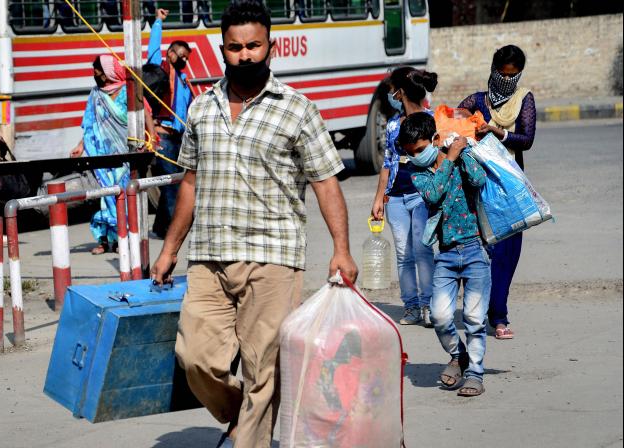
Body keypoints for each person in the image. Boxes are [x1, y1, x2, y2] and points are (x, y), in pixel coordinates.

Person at [150, 2, 358, 446]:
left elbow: (325, 183)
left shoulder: (297, 109)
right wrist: (170, 249)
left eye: (254, 45)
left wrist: (341, 249)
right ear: (223, 49)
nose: (245, 55)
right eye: (235, 47)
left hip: (274, 257)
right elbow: (189, 183)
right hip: (208, 257)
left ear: (271, 47)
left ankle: (250, 436)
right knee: (195, 358)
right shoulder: (203, 108)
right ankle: (239, 412)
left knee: (266, 370)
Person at [400, 112, 490, 397]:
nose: (416, 155)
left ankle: (475, 374)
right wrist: (449, 158)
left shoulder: (460, 157)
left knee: (475, 320)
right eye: (410, 152)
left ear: (435, 139)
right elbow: (434, 195)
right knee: (439, 316)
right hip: (446, 256)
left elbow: (478, 180)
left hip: (475, 249)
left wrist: (462, 152)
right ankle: (458, 355)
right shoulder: (419, 175)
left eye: (420, 148)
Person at [458, 45, 535, 341]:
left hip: (510, 185)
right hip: (478, 184)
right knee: (480, 249)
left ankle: (499, 315)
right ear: (493, 71)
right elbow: (456, 121)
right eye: (502, 75)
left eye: (512, 76)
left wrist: (497, 132)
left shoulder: (523, 100)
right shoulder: (477, 100)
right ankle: (478, 308)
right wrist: (466, 119)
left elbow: (527, 139)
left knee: (507, 251)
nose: (507, 81)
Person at [370, 66, 437, 326]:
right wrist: (379, 199)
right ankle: (411, 306)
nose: (390, 94)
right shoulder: (393, 124)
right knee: (403, 253)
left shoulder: (432, 119)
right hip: (396, 197)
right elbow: (388, 162)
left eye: (391, 90)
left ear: (401, 92)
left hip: (422, 195)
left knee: (422, 250)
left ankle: (429, 305)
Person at [70, 54, 156, 254]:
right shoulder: (95, 94)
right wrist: (81, 145)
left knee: (122, 196)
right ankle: (104, 240)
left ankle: (120, 239)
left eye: (98, 69)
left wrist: (151, 138)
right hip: (102, 154)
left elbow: (145, 114)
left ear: (108, 70)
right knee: (105, 196)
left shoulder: (128, 90)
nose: (95, 74)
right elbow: (91, 123)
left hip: (124, 153)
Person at [146, 8, 194, 239]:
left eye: (186, 57)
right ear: (170, 53)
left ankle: (159, 228)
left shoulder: (185, 81)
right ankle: (176, 231)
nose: (183, 59)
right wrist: (158, 22)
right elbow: (153, 51)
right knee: (174, 184)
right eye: (181, 55)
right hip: (163, 136)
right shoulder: (162, 69)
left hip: (178, 138)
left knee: (172, 182)